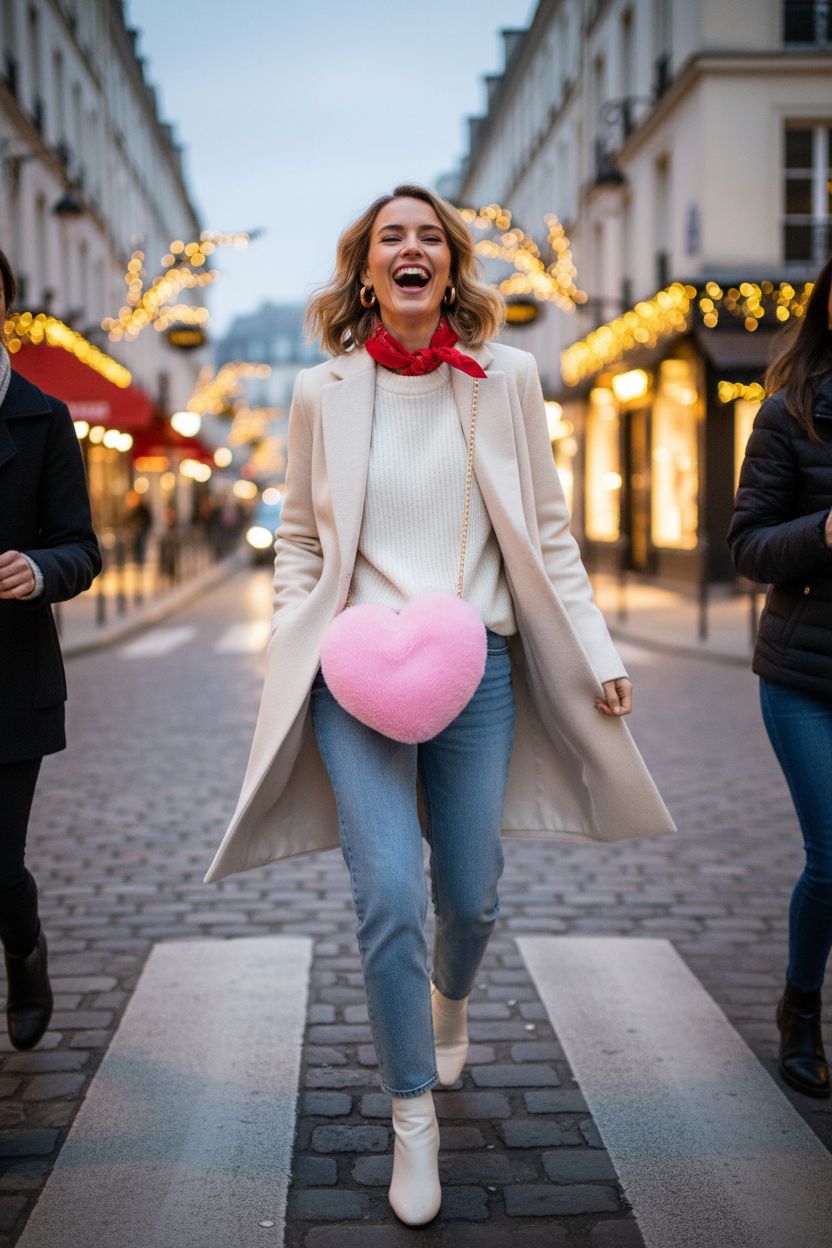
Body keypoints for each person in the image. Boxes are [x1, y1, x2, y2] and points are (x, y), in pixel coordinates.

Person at [204, 185, 675, 1225]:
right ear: (367, 271)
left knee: (471, 895)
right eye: (391, 238)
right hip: (355, 674)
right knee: (387, 895)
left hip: (479, 668)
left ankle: (448, 1003)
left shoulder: (506, 378)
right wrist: (297, 633)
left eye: (429, 237)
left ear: (451, 266)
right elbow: (299, 539)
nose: (410, 249)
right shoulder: (320, 391)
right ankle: (410, 1113)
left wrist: (596, 648)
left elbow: (548, 533)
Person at [729, 254, 832, 1101]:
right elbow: (748, 545)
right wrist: (825, 532)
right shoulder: (788, 412)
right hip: (804, 674)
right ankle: (801, 1009)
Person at [0, 248, 101, 1050]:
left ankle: (25, 950)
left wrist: (37, 570)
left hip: (11, 679)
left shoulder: (43, 417)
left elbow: (82, 548)